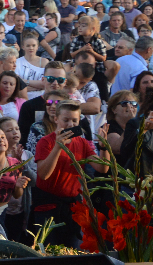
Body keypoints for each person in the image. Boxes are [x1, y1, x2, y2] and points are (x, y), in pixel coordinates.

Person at [34, 101, 109, 247]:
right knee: (47, 254)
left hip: (73, 207)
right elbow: (43, 175)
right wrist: (58, 147)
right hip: (48, 207)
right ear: (56, 119)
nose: (70, 124)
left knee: (72, 254)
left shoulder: (82, 142)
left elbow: (102, 169)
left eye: (74, 120)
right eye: (66, 120)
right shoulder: (45, 142)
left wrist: (103, 147)